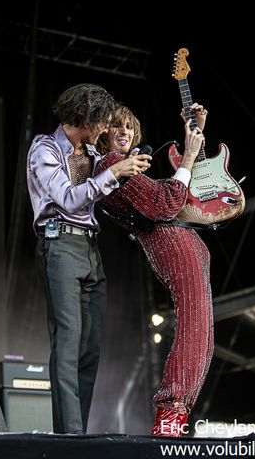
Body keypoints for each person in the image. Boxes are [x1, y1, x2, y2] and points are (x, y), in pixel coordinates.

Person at [26, 83, 152, 435]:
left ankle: (78, 433)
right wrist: (113, 173)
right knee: (67, 341)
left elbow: (121, 162)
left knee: (91, 346)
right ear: (87, 117)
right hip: (59, 243)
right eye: (103, 122)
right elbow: (69, 198)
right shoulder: (45, 149)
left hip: (90, 250)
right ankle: (70, 437)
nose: (107, 129)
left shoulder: (94, 155)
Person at [95, 103, 214, 437]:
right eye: (116, 126)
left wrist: (195, 135)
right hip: (171, 243)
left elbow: (182, 187)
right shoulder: (111, 164)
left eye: (130, 127)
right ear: (103, 132)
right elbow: (165, 203)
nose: (125, 132)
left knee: (202, 334)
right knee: (194, 328)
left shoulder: (127, 166)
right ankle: (169, 418)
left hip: (185, 243)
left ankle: (176, 418)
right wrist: (188, 157)